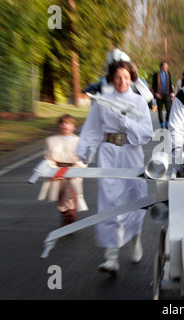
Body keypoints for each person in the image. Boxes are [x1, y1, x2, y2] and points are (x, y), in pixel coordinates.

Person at [76, 60, 154, 275]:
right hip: (109, 154)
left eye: (126, 78)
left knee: (133, 200)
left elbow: (146, 133)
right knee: (109, 202)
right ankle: (111, 258)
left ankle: (135, 241)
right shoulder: (101, 101)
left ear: (132, 79)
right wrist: (83, 153)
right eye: (118, 77)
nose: (122, 82)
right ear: (111, 78)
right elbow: (92, 129)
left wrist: (127, 122)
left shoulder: (138, 102)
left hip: (131, 154)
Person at [38, 114, 88, 226]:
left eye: (68, 123)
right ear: (59, 126)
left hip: (73, 172)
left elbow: (82, 159)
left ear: (73, 127)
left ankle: (70, 216)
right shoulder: (51, 141)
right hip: (57, 172)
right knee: (61, 198)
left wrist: (76, 169)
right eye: (62, 123)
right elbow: (48, 157)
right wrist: (53, 169)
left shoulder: (79, 141)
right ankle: (66, 213)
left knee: (69, 195)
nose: (65, 125)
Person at [82, 48, 153, 104]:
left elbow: (148, 98)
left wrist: (136, 80)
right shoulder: (104, 82)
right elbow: (90, 89)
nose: (122, 81)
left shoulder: (138, 83)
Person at [152, 61, 174, 129]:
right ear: (161, 67)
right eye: (164, 66)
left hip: (166, 94)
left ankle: (167, 122)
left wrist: (171, 93)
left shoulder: (168, 74)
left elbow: (170, 84)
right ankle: (161, 124)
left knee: (169, 109)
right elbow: (153, 85)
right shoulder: (156, 74)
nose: (166, 68)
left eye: (166, 67)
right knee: (160, 110)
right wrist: (156, 93)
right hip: (159, 94)